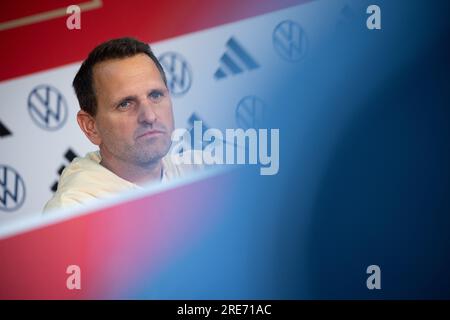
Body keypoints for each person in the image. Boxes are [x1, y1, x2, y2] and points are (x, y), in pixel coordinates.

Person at [43, 37, 201, 212]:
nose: (149, 116)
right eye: (125, 104)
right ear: (90, 126)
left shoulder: (199, 173)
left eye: (155, 95)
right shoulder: (71, 213)